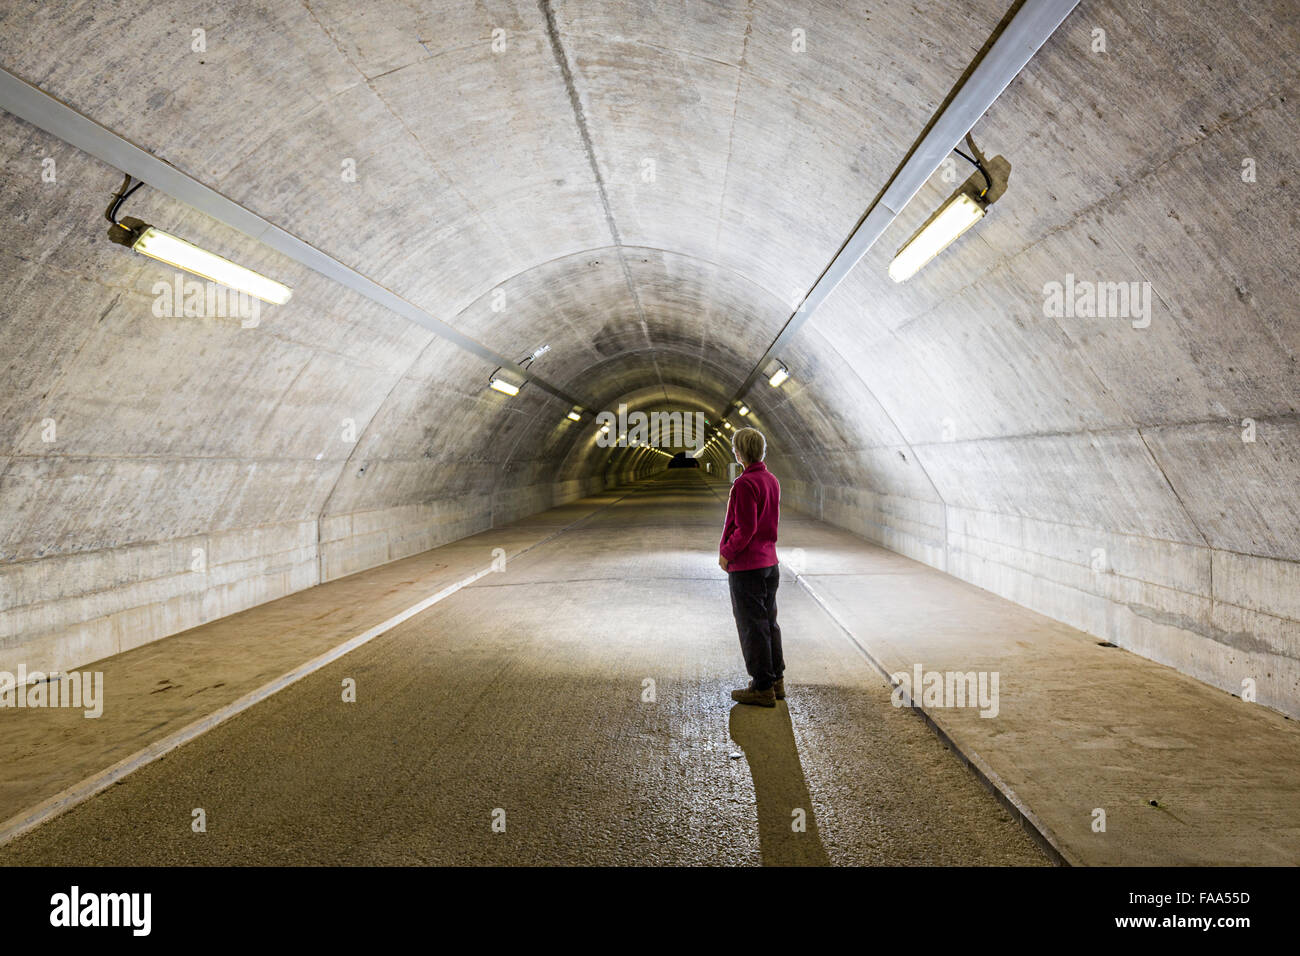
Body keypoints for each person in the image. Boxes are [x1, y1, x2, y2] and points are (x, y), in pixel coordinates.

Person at [718, 427, 784, 707]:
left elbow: (745, 529)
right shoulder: (771, 480)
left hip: (747, 566)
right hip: (770, 563)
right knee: (769, 623)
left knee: (751, 626)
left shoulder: (744, 484)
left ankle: (761, 686)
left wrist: (726, 553)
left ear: (739, 452)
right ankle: (776, 680)